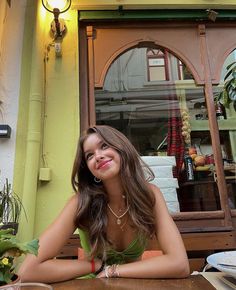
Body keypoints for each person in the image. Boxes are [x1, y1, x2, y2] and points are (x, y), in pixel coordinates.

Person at [18, 125, 190, 283]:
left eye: (104, 146)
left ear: (122, 148)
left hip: (134, 282)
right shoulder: (81, 202)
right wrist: (96, 266)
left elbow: (179, 264)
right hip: (92, 285)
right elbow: (27, 271)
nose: (98, 156)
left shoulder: (149, 195)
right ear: (89, 168)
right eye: (89, 155)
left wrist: (113, 270)